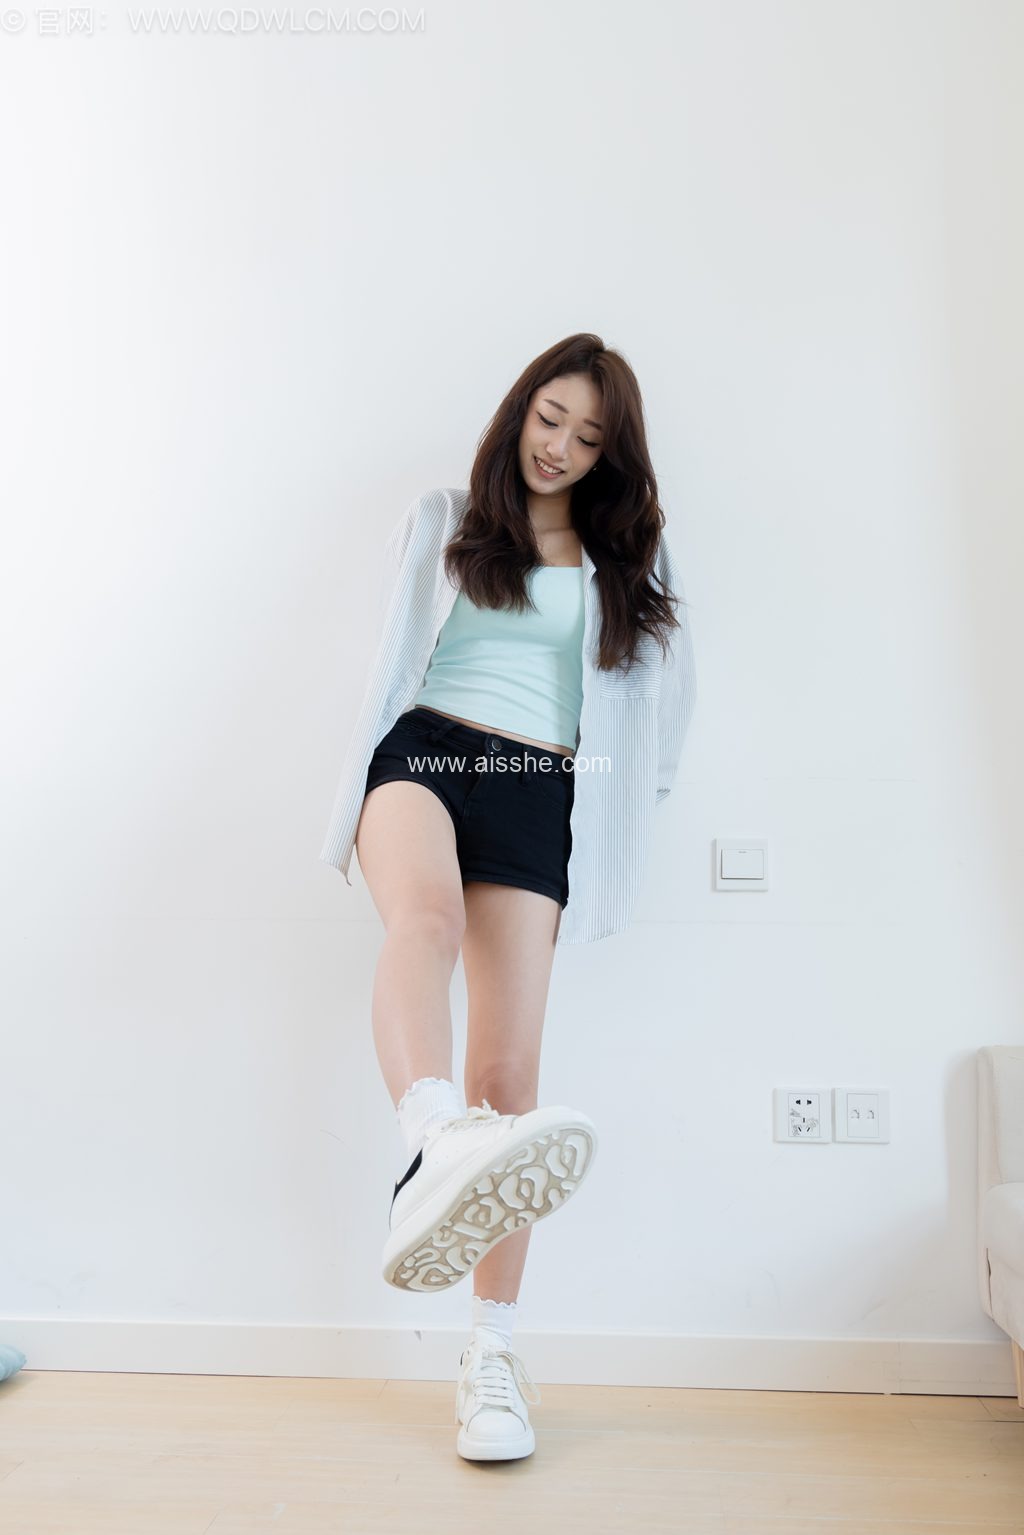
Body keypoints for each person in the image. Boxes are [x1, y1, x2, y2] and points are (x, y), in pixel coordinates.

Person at [319, 332, 697, 1460]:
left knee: (511, 1084)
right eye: (549, 417)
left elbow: (665, 714)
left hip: (540, 782)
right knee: (424, 919)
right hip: (426, 751)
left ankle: (491, 1358)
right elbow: (389, 655)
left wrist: (619, 804)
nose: (559, 446)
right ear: (519, 409)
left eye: (587, 435)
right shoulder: (446, 519)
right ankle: (430, 1137)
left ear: (609, 453)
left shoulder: (629, 564)